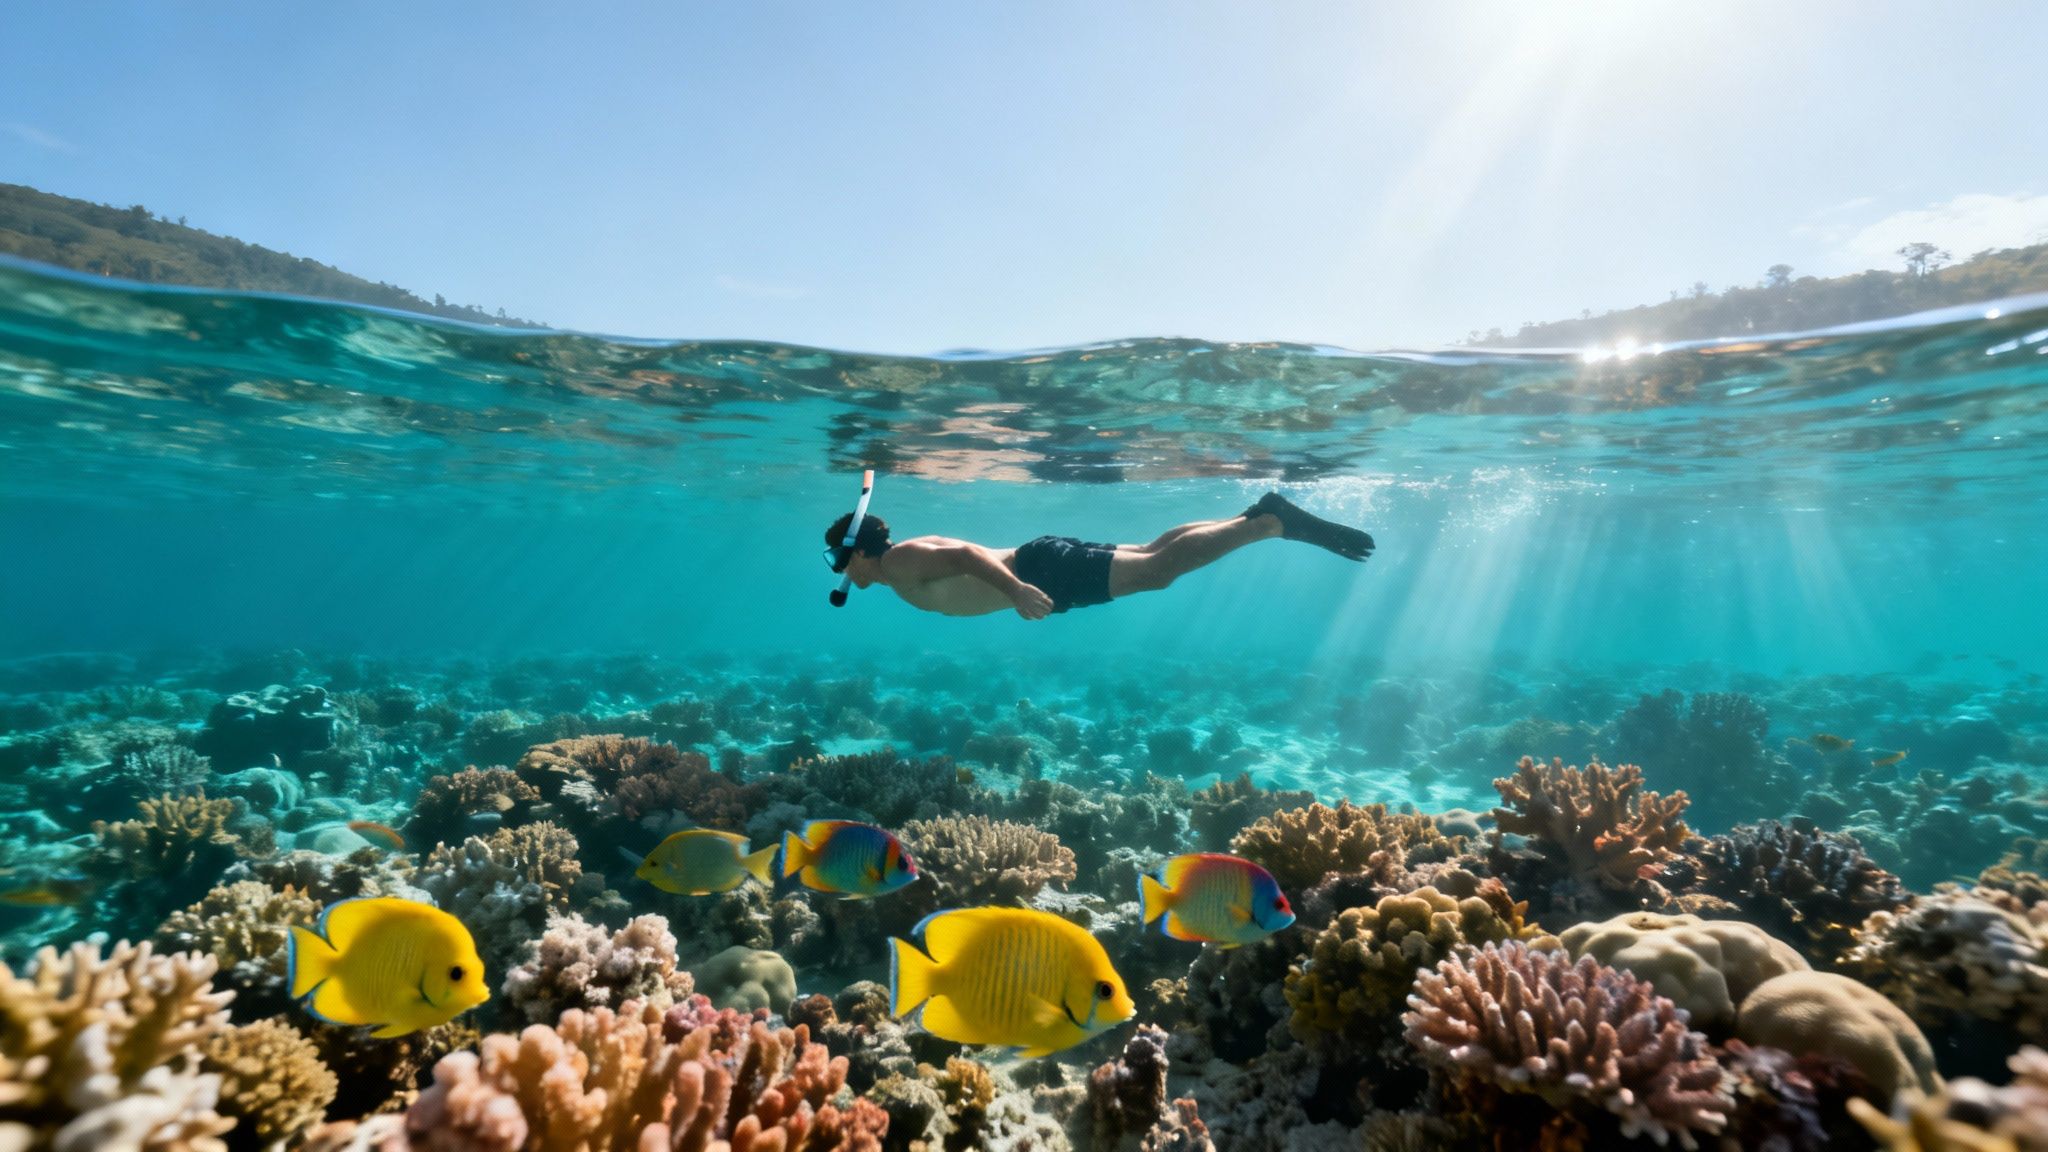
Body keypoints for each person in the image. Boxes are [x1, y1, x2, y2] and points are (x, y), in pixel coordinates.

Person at [822, 492, 1373, 620]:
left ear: (856, 554)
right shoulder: (904, 559)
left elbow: (968, 555)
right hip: (1042, 561)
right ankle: (1255, 514)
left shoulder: (896, 566)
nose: (840, 574)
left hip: (1039, 572)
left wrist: (1015, 591)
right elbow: (963, 555)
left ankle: (1268, 525)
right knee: (1156, 551)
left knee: (1157, 573)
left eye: (837, 561)